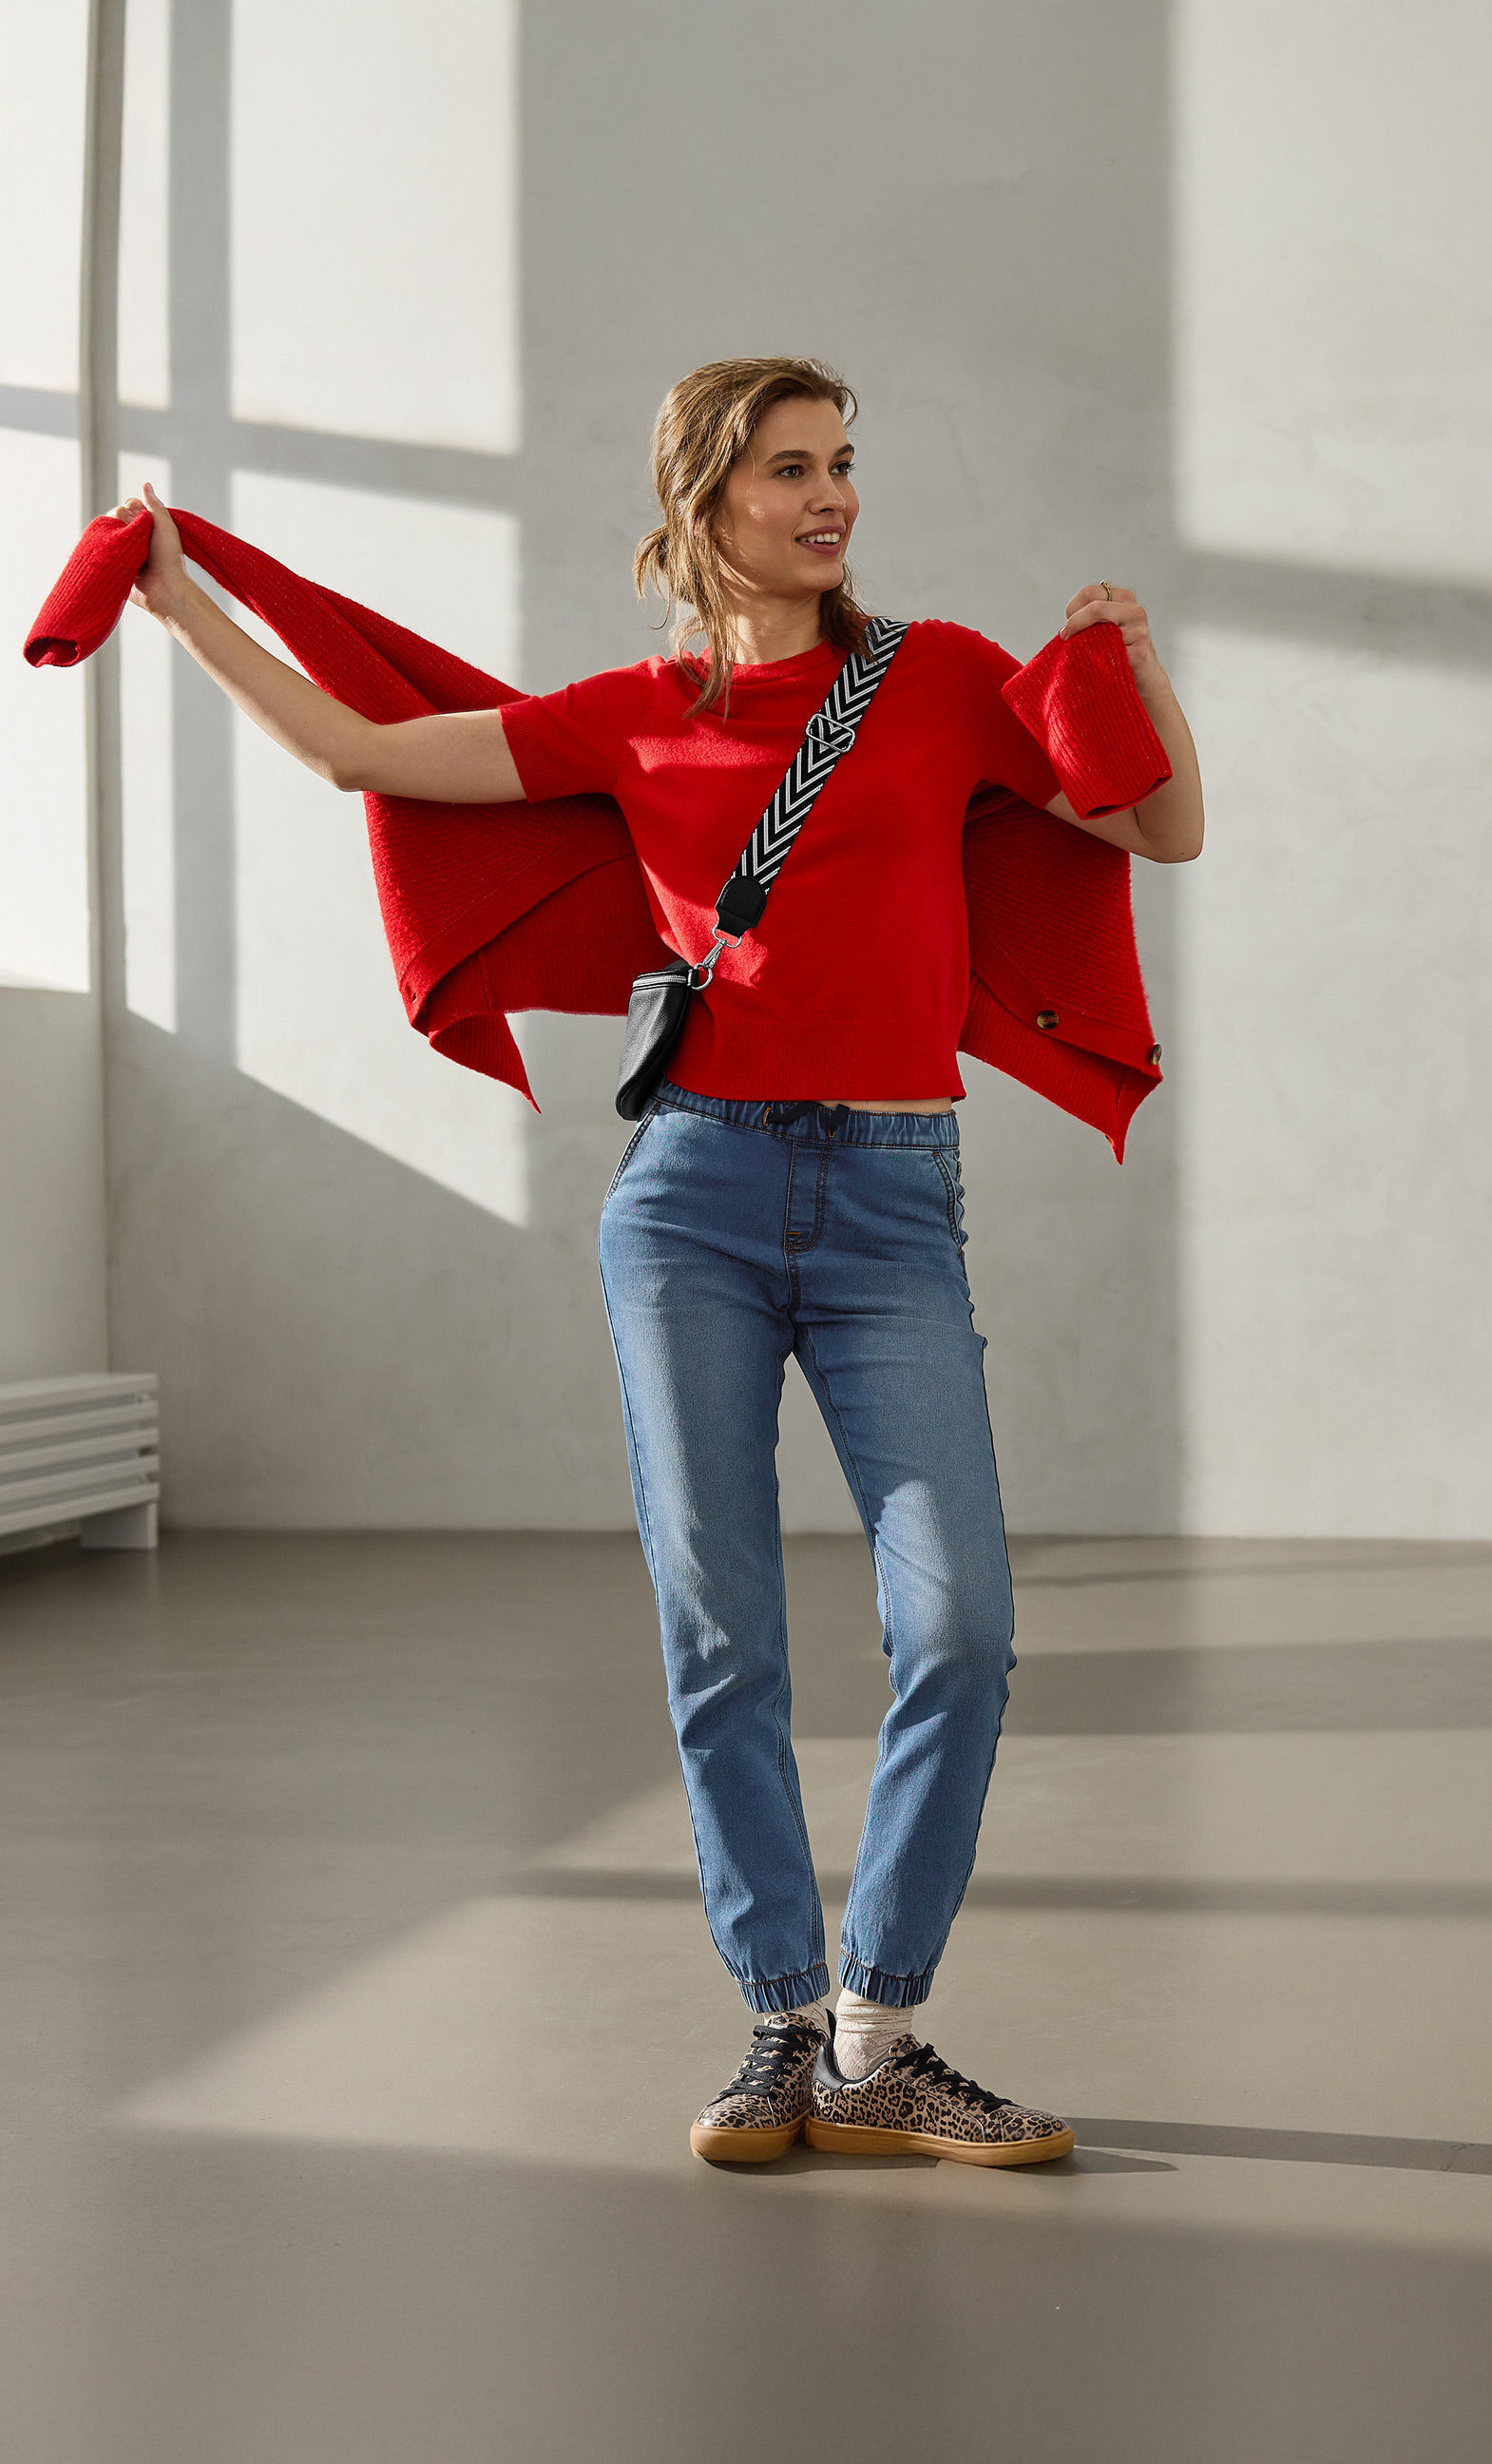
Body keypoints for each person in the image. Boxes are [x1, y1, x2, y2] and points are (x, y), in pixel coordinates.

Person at [109, 356, 1204, 2167]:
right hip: (688, 1197)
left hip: (889, 1197)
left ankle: (881, 2029)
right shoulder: (628, 716)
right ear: (703, 500)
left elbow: (1155, 828)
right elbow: (362, 752)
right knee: (722, 1634)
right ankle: (780, 2027)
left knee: (964, 1627)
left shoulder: (933, 679)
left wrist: (1135, 663)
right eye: (790, 470)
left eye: (845, 463)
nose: (831, 496)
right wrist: (181, 602)